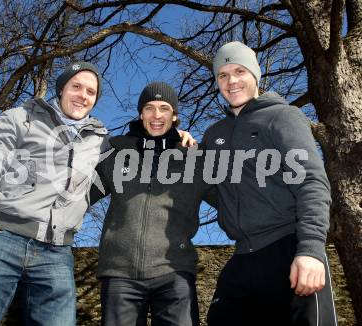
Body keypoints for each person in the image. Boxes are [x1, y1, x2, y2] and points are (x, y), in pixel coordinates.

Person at [0, 61, 108, 326]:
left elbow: (137, 157)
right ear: (61, 89)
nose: (83, 95)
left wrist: (175, 136)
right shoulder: (20, 117)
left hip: (57, 252)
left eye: (91, 92)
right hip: (2, 240)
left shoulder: (100, 140)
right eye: (77, 86)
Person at [204, 41, 337, 325]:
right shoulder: (214, 134)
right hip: (243, 256)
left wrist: (311, 249)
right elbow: (214, 190)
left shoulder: (282, 116)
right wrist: (182, 151)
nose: (232, 81)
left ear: (255, 75)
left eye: (239, 71)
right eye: (223, 75)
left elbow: (311, 181)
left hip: (289, 247)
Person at [90, 82, 218, 326]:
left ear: (175, 116)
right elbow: (78, 195)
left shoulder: (195, 160)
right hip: (120, 274)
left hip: (175, 272)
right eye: (149, 108)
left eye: (164, 108)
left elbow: (233, 201)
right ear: (140, 114)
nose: (156, 115)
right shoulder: (116, 154)